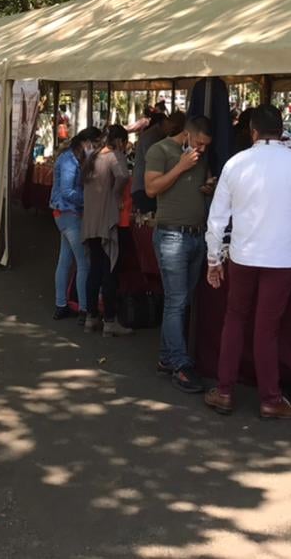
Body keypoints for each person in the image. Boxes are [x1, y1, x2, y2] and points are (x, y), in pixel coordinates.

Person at [202, 104, 291, 420]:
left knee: (235, 318)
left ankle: (225, 391)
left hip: (243, 254)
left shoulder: (236, 163)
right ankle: (270, 398)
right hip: (283, 258)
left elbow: (217, 219)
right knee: (267, 327)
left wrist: (213, 258)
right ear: (282, 130)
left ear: (253, 131)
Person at [145, 113, 215, 394]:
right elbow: (151, 189)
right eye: (199, 143)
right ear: (186, 135)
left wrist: (206, 187)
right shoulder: (159, 150)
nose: (202, 149)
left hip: (197, 235)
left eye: (206, 145)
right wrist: (181, 167)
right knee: (177, 300)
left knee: (182, 301)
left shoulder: (201, 158)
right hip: (171, 235)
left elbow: (194, 188)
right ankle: (180, 364)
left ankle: (167, 356)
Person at [81, 124, 133, 336]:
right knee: (109, 270)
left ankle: (91, 317)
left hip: (90, 220)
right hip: (107, 220)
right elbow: (123, 176)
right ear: (120, 141)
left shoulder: (92, 157)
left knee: (94, 270)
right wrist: (117, 195)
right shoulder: (114, 156)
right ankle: (110, 321)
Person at [51, 126, 102, 322]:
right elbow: (67, 192)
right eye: (95, 144)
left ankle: (61, 304)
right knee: (84, 262)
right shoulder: (69, 160)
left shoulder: (72, 157)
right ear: (86, 142)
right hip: (69, 214)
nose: (96, 148)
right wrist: (88, 198)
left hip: (64, 214)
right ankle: (84, 309)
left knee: (65, 260)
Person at [131, 108, 177, 216]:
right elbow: (152, 159)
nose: (172, 130)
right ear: (165, 123)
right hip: (143, 187)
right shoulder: (151, 137)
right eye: (172, 127)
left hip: (145, 186)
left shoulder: (156, 136)